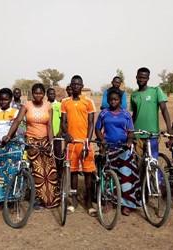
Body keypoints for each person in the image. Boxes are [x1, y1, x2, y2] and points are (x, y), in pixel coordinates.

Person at [4, 83, 60, 209]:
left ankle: (51, 200)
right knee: (37, 171)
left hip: (45, 141)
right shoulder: (27, 105)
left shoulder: (48, 106)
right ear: (32, 93)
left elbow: (49, 125)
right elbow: (18, 120)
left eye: (40, 93)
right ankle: (37, 199)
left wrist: (51, 142)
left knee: (50, 172)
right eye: (36, 93)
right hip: (31, 141)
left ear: (44, 94)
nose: (38, 95)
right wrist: (9, 135)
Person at [95, 88, 140, 216]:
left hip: (123, 149)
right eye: (111, 100)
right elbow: (98, 129)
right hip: (108, 148)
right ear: (108, 101)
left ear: (120, 100)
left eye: (116, 99)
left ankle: (126, 204)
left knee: (126, 176)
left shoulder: (126, 114)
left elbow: (130, 130)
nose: (113, 101)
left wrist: (130, 140)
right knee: (108, 176)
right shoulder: (104, 113)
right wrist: (102, 139)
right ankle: (108, 202)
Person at [61, 75, 96, 216]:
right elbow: (63, 121)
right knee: (73, 172)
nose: (75, 86)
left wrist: (88, 140)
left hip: (84, 143)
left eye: (78, 84)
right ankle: (74, 201)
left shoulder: (88, 102)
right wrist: (66, 133)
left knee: (88, 173)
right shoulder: (65, 102)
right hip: (72, 144)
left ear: (82, 86)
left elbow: (91, 122)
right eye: (73, 84)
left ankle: (89, 203)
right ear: (71, 86)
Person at [0, 88, 22, 209]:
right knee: (0, 174)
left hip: (12, 145)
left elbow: (16, 126)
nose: (3, 102)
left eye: (6, 99)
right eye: (1, 100)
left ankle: (11, 199)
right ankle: (0, 199)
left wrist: (8, 137)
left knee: (12, 173)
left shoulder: (16, 112)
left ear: (11, 99)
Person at [130, 67, 173, 159]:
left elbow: (164, 110)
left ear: (148, 79)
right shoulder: (134, 95)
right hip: (138, 134)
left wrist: (169, 129)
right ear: (136, 77)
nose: (141, 79)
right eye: (140, 77)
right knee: (139, 163)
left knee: (153, 162)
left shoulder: (156, 91)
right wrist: (130, 130)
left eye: (144, 78)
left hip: (152, 133)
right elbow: (134, 115)